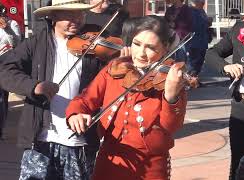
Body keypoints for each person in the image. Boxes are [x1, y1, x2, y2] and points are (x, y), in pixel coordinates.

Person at [65, 15, 187, 180]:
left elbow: (171, 127)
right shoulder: (115, 68)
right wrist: (76, 113)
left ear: (165, 48)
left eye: (151, 48)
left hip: (151, 166)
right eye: (136, 44)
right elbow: (85, 99)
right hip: (110, 160)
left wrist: (171, 96)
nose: (141, 54)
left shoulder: (170, 78)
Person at [0, 0, 103, 179]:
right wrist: (34, 86)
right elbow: (5, 71)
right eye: (69, 15)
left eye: (80, 14)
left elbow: (107, 83)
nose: (76, 20)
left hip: (79, 140)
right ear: (53, 16)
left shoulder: (96, 44)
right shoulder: (36, 43)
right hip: (41, 139)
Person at [205, 0, 244, 179]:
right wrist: (226, 67)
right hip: (241, 108)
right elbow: (211, 54)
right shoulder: (238, 30)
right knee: (239, 161)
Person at [0, 3, 21, 139]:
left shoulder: (12, 24)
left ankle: (0, 129)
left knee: (1, 98)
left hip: (4, 64)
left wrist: (7, 29)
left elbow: (17, 43)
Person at [187, 0, 210, 86]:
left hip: (203, 41)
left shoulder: (202, 11)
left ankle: (195, 79)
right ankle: (190, 81)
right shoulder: (189, 12)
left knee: (199, 61)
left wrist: (208, 22)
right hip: (193, 42)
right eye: (202, 2)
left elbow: (205, 23)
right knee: (192, 62)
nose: (203, 3)